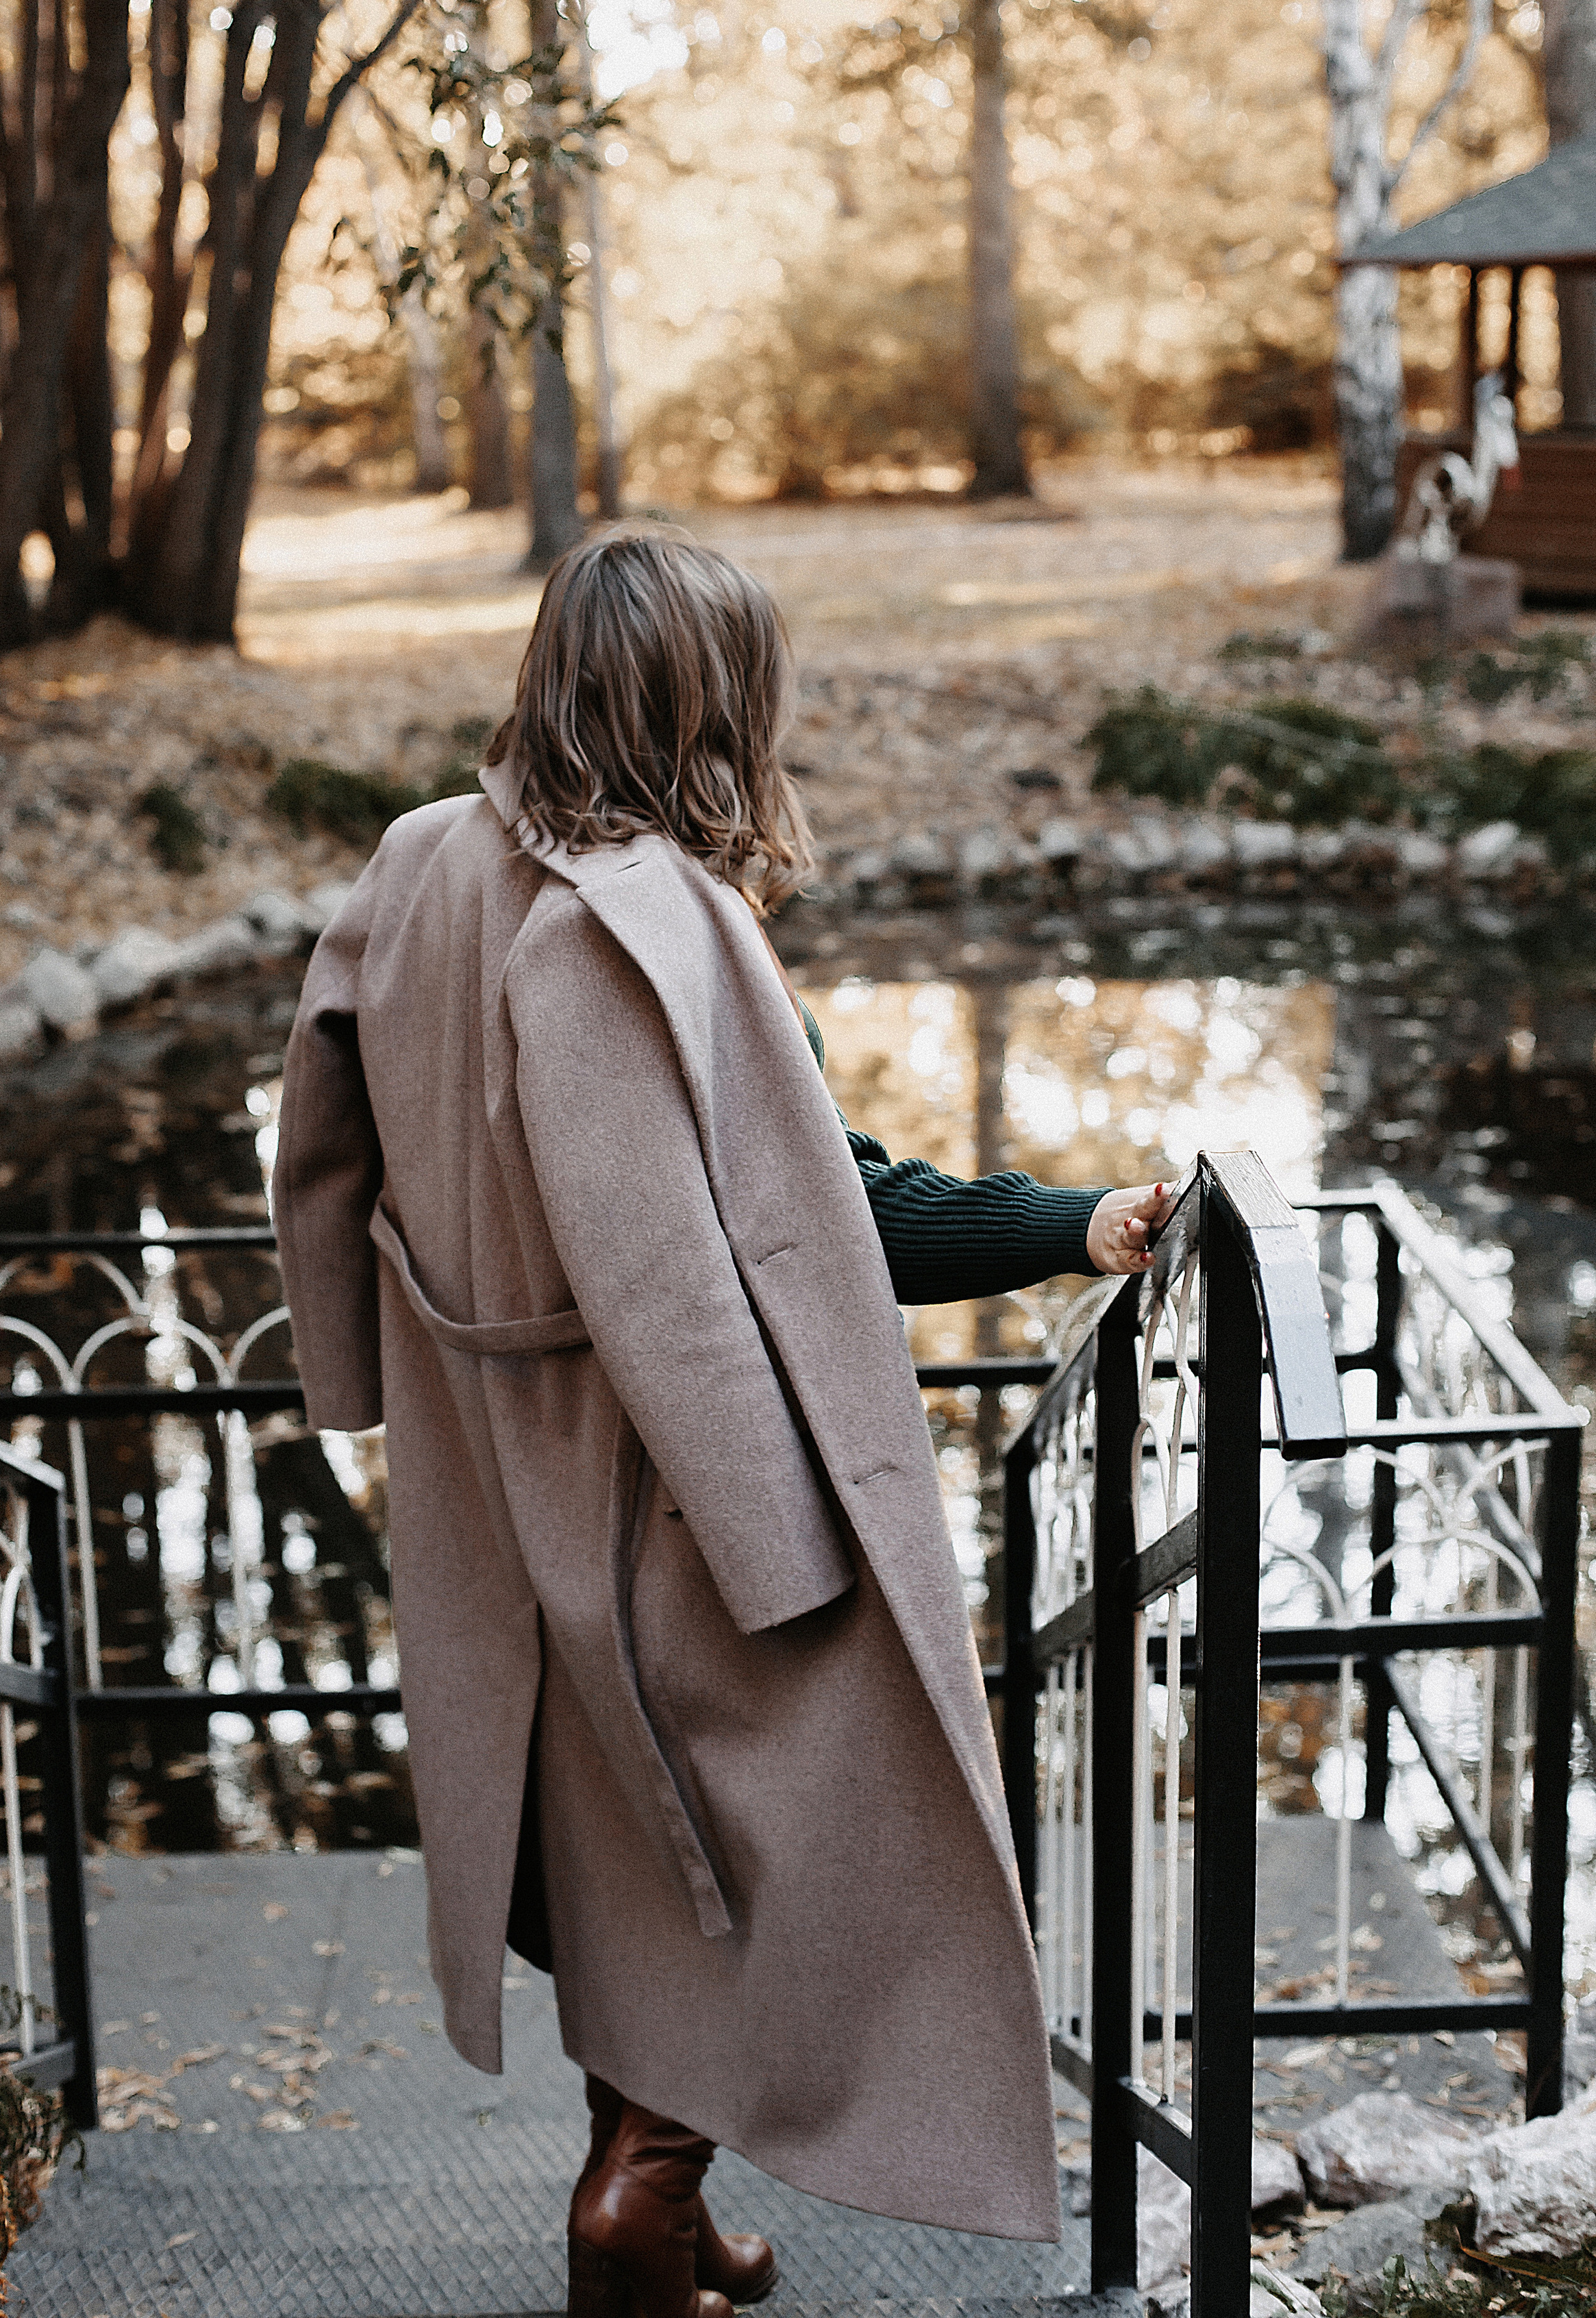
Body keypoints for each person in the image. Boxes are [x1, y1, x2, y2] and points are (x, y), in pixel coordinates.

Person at [272, 528, 1171, 2318]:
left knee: (619, 1849)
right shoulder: (655, 921)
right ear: (708, 706)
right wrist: (784, 1546)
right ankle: (639, 2195)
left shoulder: (413, 863)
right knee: (797, 1833)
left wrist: (362, 1383)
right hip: (663, 1499)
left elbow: (314, 1142)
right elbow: (737, 1250)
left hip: (490, 1481)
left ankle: (663, 2219)